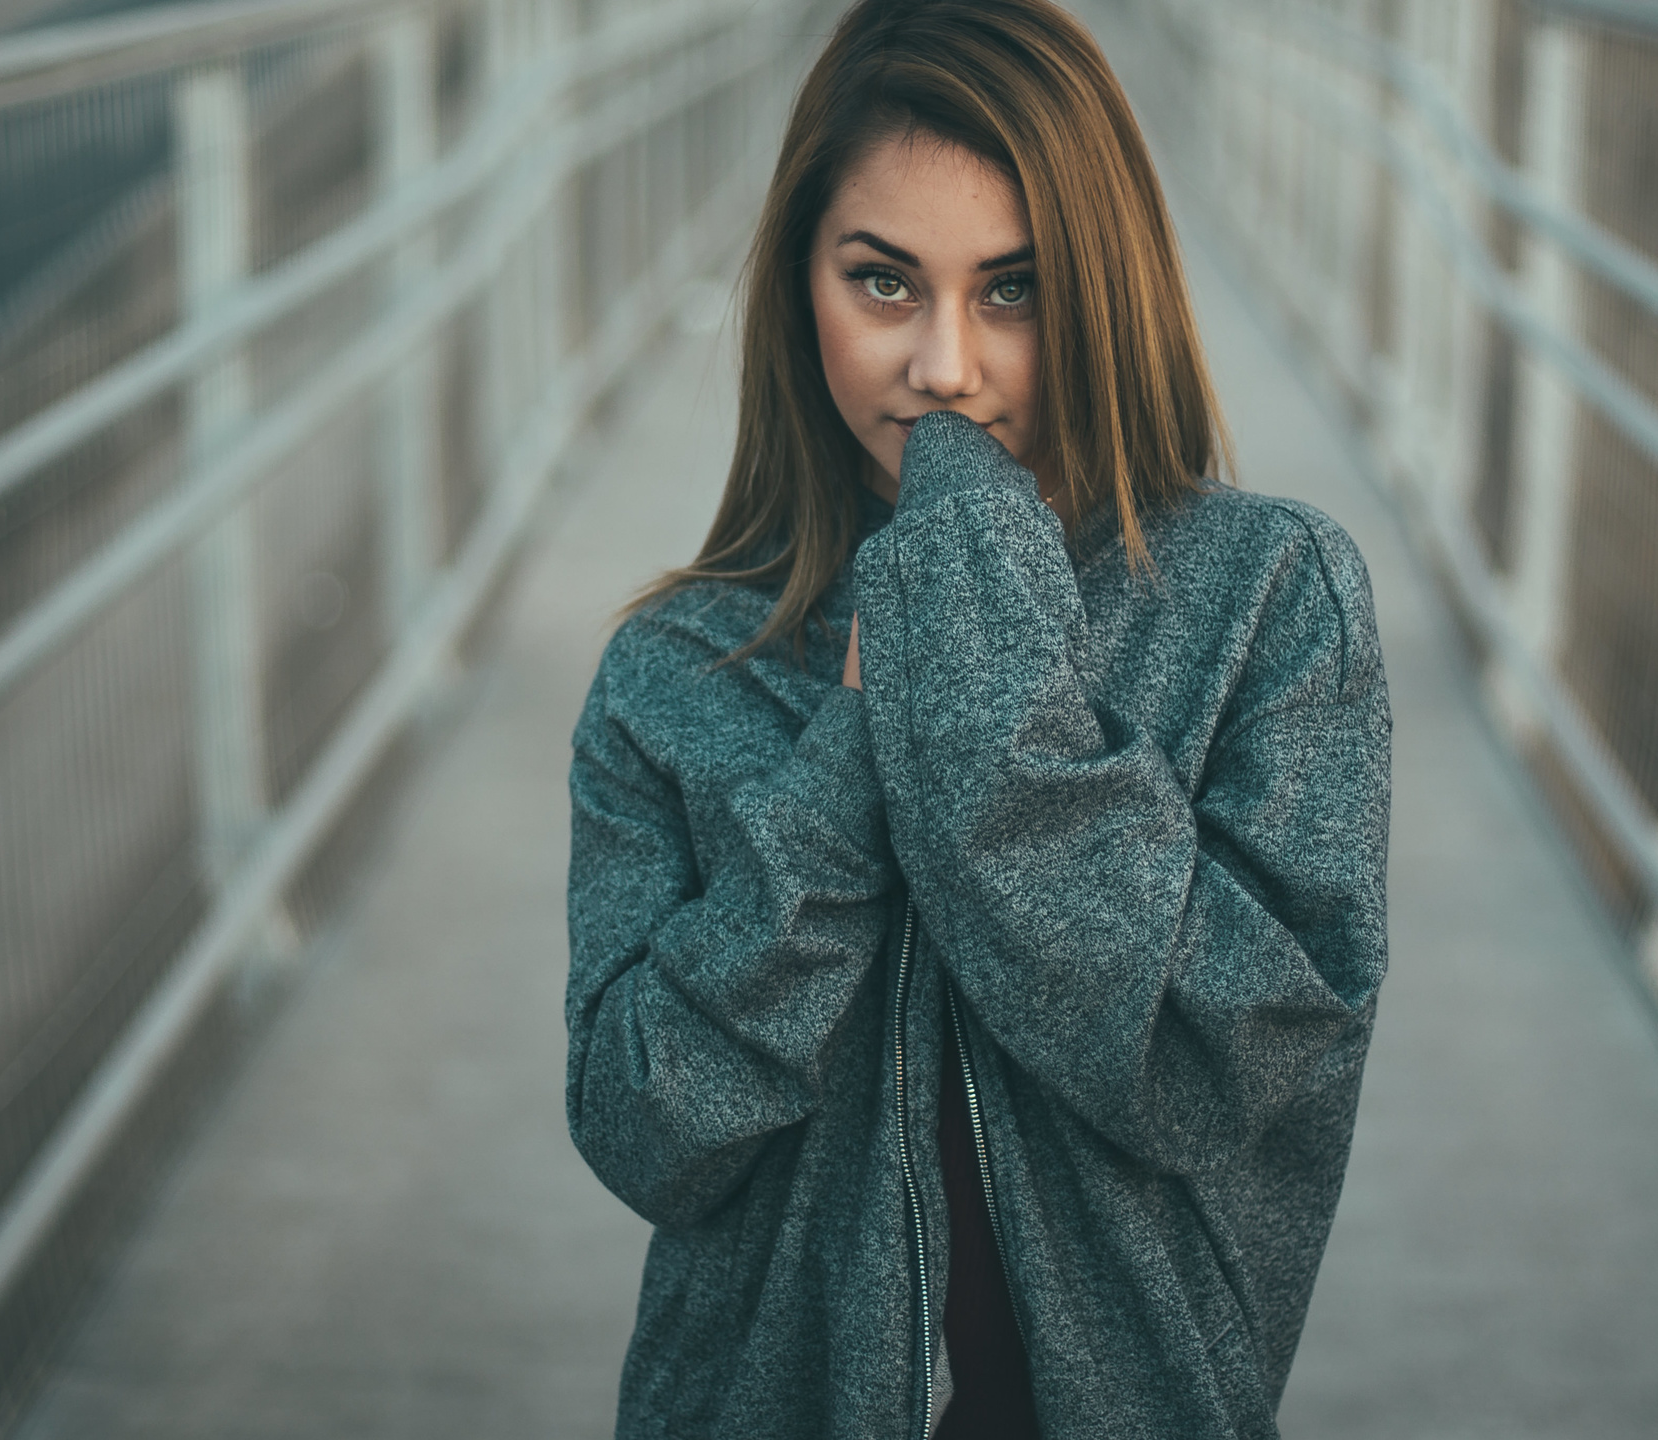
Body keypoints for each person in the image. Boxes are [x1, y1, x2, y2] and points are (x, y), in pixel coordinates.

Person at [564, 1, 1391, 1434]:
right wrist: (841, 773)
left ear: (1109, 288)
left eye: (1014, 290)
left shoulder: (1266, 604)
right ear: (796, 286)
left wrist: (979, 685)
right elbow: (646, 1128)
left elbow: (1223, 1066)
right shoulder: (676, 668)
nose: (944, 365)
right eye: (883, 284)